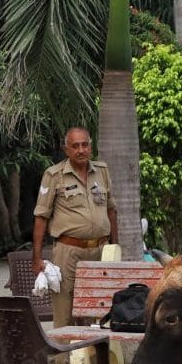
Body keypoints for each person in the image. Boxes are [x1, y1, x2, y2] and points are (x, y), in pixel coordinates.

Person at [32, 127, 118, 328]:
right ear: (66, 150)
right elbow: (41, 216)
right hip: (69, 252)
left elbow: (111, 210)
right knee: (65, 308)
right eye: (75, 146)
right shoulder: (54, 175)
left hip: (100, 250)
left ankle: (96, 356)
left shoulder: (102, 171)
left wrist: (115, 246)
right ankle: (63, 358)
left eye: (85, 145)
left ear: (90, 146)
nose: (81, 150)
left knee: (100, 306)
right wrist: (36, 257)